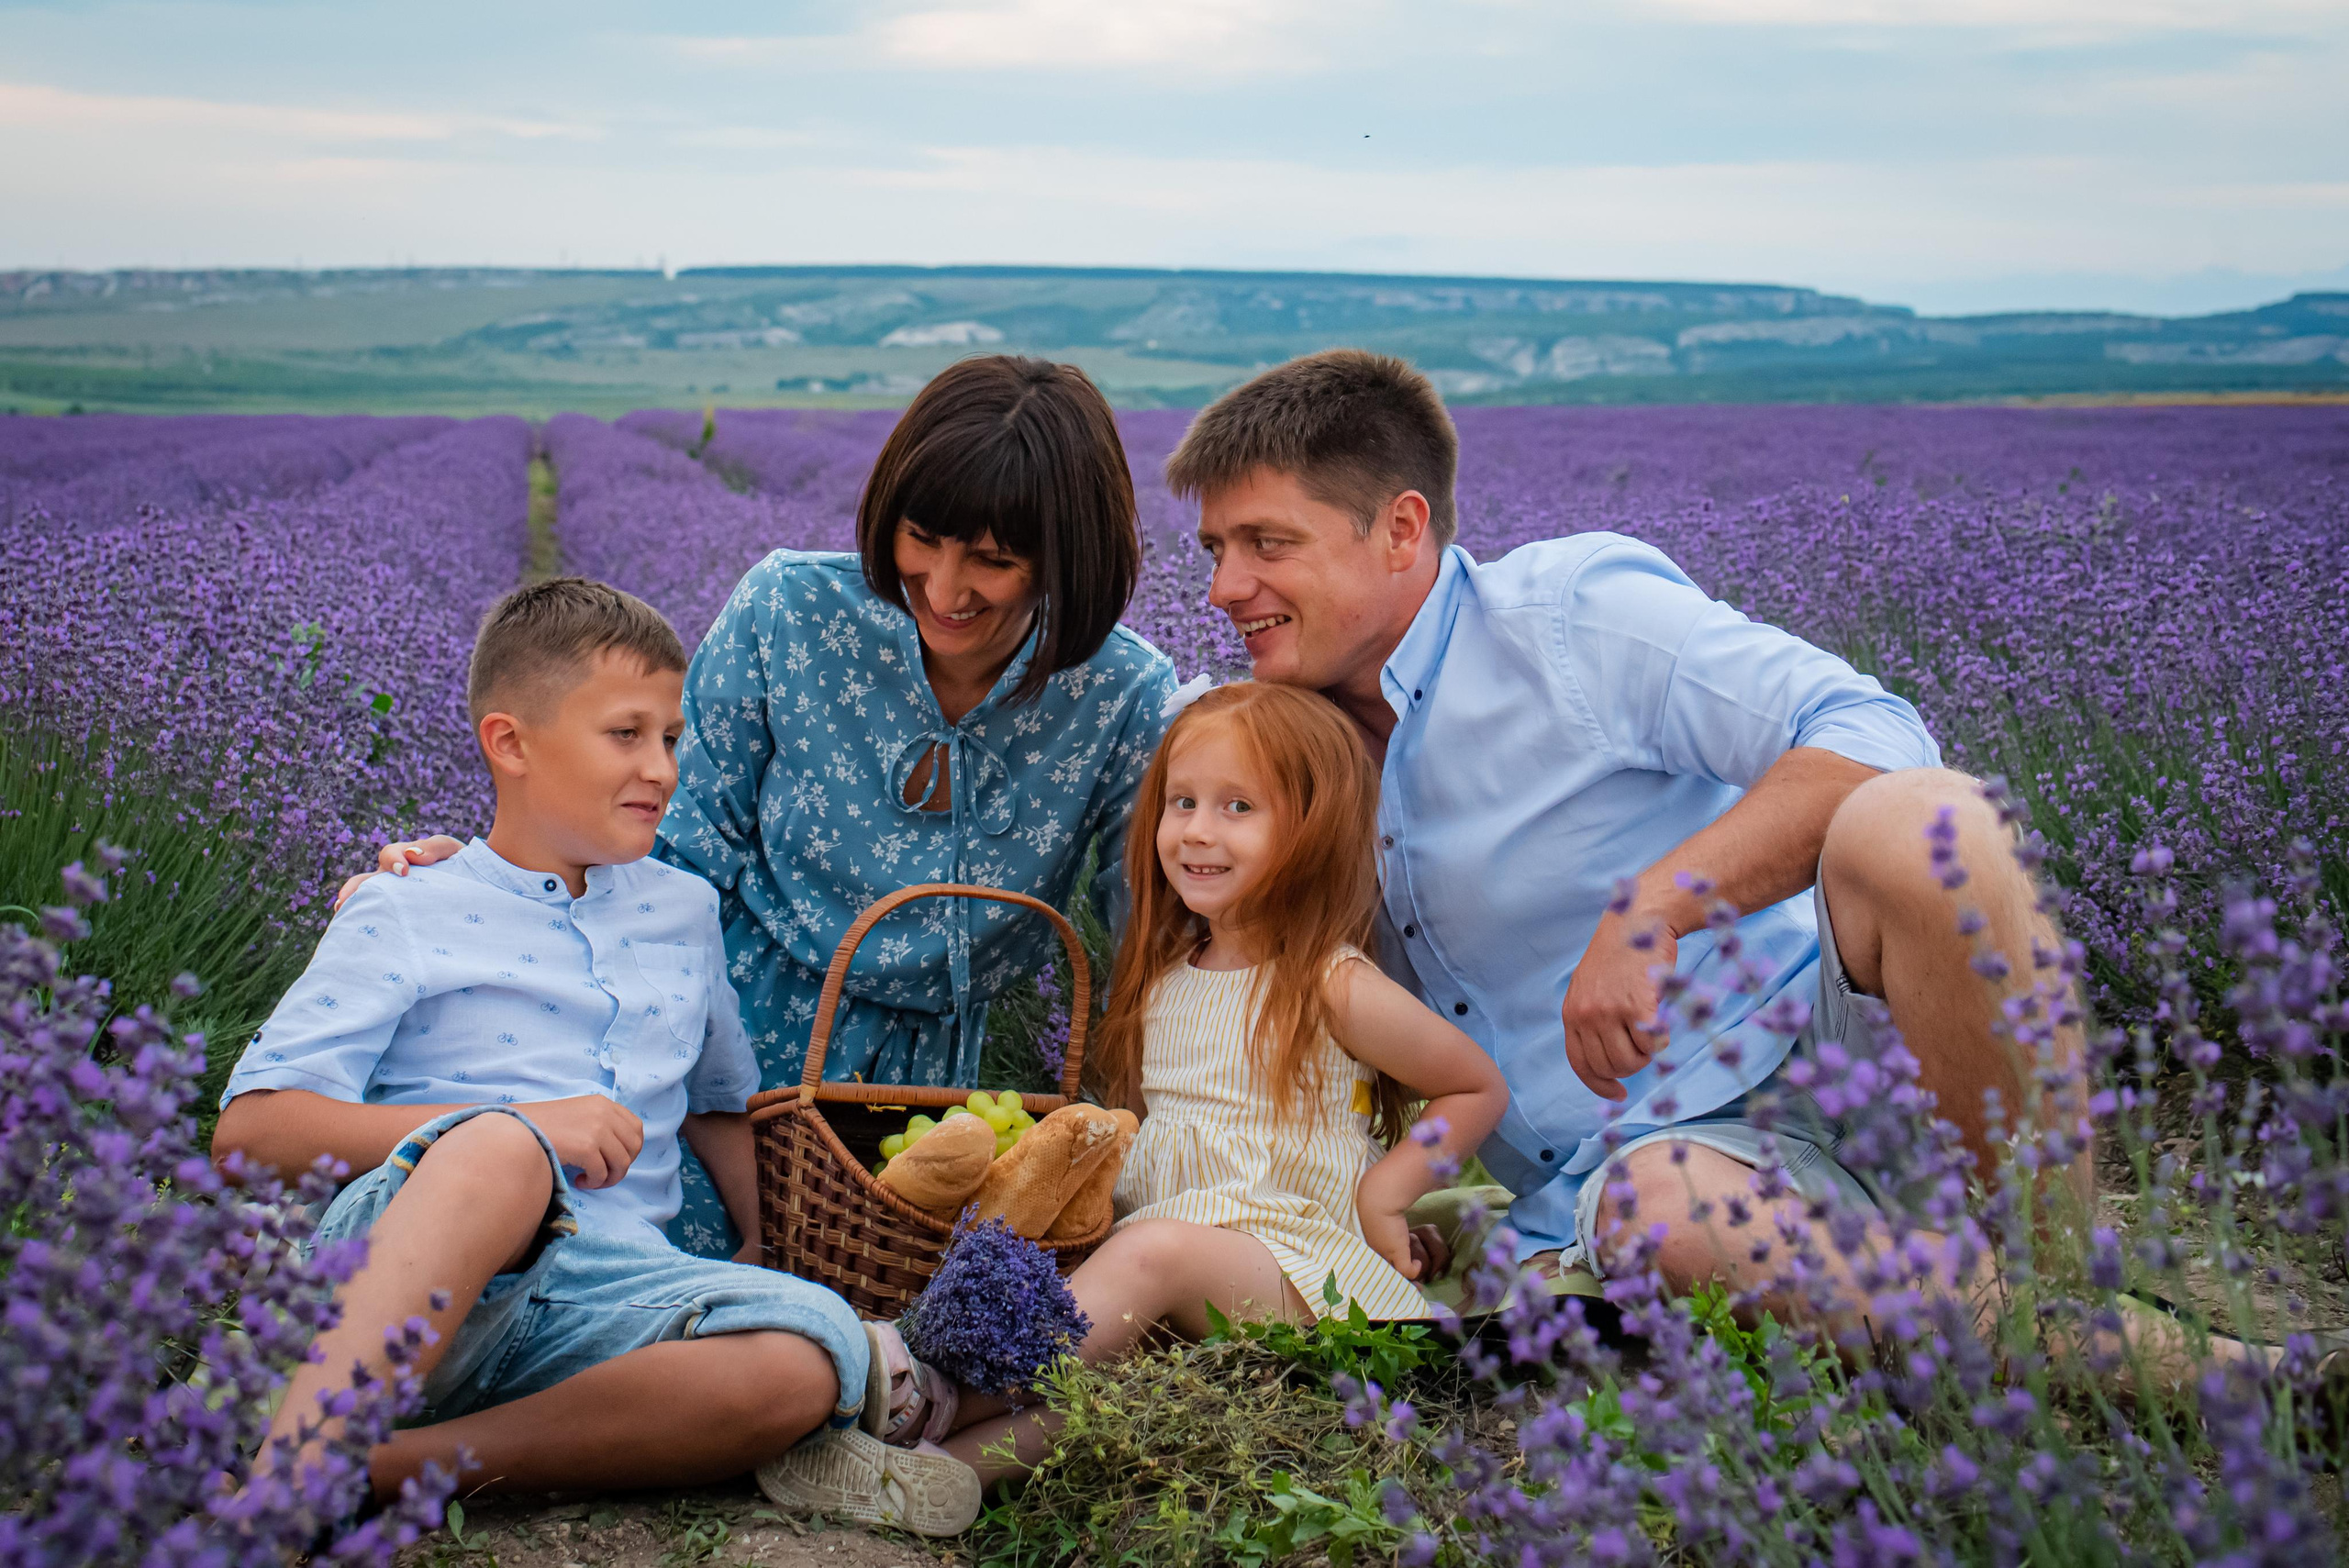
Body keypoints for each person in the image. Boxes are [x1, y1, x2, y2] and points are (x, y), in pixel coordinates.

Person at [1161, 348, 2076, 1334]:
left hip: (1843, 1047)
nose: (1223, 587)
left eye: (1265, 543)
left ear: (1399, 528)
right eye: (1214, 549)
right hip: (1652, 1177)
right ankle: (2065, 1336)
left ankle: (2059, 1261)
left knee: (1929, 821)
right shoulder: (1258, 753)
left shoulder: (1567, 620)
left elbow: (1875, 733)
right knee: (1664, 1220)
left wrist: (1656, 905)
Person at [351, 356, 1179, 1259]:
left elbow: (1152, 933)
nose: (944, 588)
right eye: (922, 539)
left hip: (940, 1103)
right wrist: (494, 882)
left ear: (1067, 557)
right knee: (638, 1286)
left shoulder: (1120, 691)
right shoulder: (790, 609)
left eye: (995, 560)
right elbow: (670, 843)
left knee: (864, 1313)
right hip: (725, 1037)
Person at [212, 578, 982, 1536]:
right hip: (409, 1272)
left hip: (604, 1301)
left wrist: (760, 1244)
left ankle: (383, 1467)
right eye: (626, 734)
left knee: (805, 1355)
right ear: (511, 743)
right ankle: (283, 1481)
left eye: (671, 736)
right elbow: (249, 1133)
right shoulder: (407, 903)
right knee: (500, 1154)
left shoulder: (682, 911)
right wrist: (526, 1129)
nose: (661, 766)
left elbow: (715, 1099)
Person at [766, 682, 1508, 1490]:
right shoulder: (1163, 982)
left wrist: (1388, 1198)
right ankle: (927, 1476)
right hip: (1189, 1271)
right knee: (1107, 1361)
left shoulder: (1328, 982)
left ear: (1314, 829)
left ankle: (923, 1390)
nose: (1196, 830)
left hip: (1308, 1281)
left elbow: (1474, 1085)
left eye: (1237, 807)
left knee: (1153, 1255)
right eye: (1182, 801)